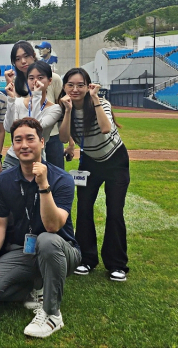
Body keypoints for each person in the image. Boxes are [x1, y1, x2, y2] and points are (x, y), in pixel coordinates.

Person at [0, 118, 80, 339]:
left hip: (61, 250)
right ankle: (36, 286)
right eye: (18, 140)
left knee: (47, 240)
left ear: (42, 142)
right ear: (12, 146)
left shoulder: (61, 179)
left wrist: (43, 185)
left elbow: (53, 226)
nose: (24, 145)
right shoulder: (5, 179)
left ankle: (52, 314)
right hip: (25, 251)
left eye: (30, 139)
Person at [59, 68, 130, 282]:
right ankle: (86, 259)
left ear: (88, 86)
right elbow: (63, 137)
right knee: (83, 209)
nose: (75, 89)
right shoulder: (66, 108)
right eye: (70, 84)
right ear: (64, 87)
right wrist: (69, 111)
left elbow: (106, 128)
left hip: (116, 160)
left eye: (81, 84)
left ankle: (117, 264)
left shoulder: (101, 104)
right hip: (89, 161)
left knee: (115, 211)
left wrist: (96, 99)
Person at [5, 41, 73, 169]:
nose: (23, 61)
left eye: (26, 56)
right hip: (28, 137)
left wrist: (71, 142)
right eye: (18, 59)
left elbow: (63, 111)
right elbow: (14, 118)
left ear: (33, 55)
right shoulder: (17, 82)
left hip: (51, 136)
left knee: (55, 177)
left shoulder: (54, 78)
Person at [2, 62, 62, 170]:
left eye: (40, 77)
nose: (35, 81)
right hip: (13, 158)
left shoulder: (55, 109)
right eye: (31, 78)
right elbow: (8, 127)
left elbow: (35, 128)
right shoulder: (19, 102)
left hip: (36, 159)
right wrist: (11, 100)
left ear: (49, 81)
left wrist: (37, 95)